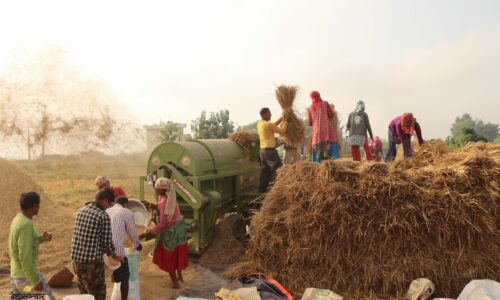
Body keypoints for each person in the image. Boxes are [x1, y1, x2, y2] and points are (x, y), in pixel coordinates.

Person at [71, 188, 122, 300]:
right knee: (98, 294)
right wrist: (116, 256)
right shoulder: (102, 216)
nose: (109, 207)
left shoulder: (81, 210)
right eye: (109, 204)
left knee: (84, 294)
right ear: (104, 201)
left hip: (77, 261)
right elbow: (107, 242)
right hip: (92, 264)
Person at [139, 178, 188, 289]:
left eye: (157, 189)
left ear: (162, 190)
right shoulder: (169, 195)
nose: (156, 191)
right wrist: (151, 205)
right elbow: (160, 205)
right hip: (179, 227)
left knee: (168, 256)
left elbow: (163, 224)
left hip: (171, 231)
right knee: (176, 253)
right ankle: (180, 277)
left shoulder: (165, 202)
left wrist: (146, 233)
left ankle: (175, 283)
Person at [9, 192, 52, 295]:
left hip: (17, 274)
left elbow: (26, 243)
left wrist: (42, 238)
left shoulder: (18, 218)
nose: (39, 208)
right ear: (34, 206)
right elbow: (25, 257)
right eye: (38, 205)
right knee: (44, 295)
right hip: (25, 278)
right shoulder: (26, 225)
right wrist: (35, 281)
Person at [106, 196, 143, 300]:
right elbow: (132, 232)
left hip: (104, 251)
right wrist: (137, 244)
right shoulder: (127, 212)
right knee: (125, 278)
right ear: (126, 204)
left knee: (104, 277)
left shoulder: (107, 211)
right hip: (117, 252)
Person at [257, 107, 287, 193]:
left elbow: (272, 126)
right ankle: (277, 190)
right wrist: (287, 122)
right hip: (269, 150)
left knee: (265, 170)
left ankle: (261, 189)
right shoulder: (268, 124)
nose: (271, 114)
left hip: (262, 151)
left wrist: (281, 119)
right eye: (269, 113)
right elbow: (282, 131)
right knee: (277, 167)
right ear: (264, 114)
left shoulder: (260, 123)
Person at [308, 91, 340, 163]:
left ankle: (318, 168)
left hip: (316, 135)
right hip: (327, 133)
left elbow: (310, 123)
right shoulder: (325, 104)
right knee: (333, 158)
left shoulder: (310, 108)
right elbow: (331, 115)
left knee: (317, 159)